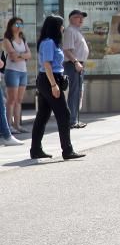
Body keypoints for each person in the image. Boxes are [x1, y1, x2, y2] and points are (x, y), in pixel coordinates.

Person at [29, 15, 84, 160]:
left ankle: (35, 149)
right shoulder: (48, 43)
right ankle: (67, 150)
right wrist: (54, 85)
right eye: (61, 25)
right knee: (64, 114)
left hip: (52, 79)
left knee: (43, 115)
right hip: (49, 80)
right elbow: (47, 65)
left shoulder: (53, 42)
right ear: (55, 27)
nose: (63, 27)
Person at [62, 9, 90, 129]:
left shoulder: (76, 31)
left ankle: (74, 118)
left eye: (82, 17)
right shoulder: (70, 31)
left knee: (78, 92)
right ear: (71, 18)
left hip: (78, 64)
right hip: (73, 64)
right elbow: (66, 50)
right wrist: (76, 62)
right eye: (78, 17)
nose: (81, 19)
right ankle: (71, 120)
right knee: (74, 92)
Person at [2, 16, 31, 135]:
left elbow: (29, 55)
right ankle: (8, 126)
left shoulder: (23, 39)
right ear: (11, 26)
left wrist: (21, 55)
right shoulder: (7, 39)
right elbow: (12, 56)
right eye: (17, 24)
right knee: (11, 100)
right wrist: (22, 55)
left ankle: (17, 124)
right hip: (12, 71)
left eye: (21, 25)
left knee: (19, 100)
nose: (19, 27)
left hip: (23, 71)